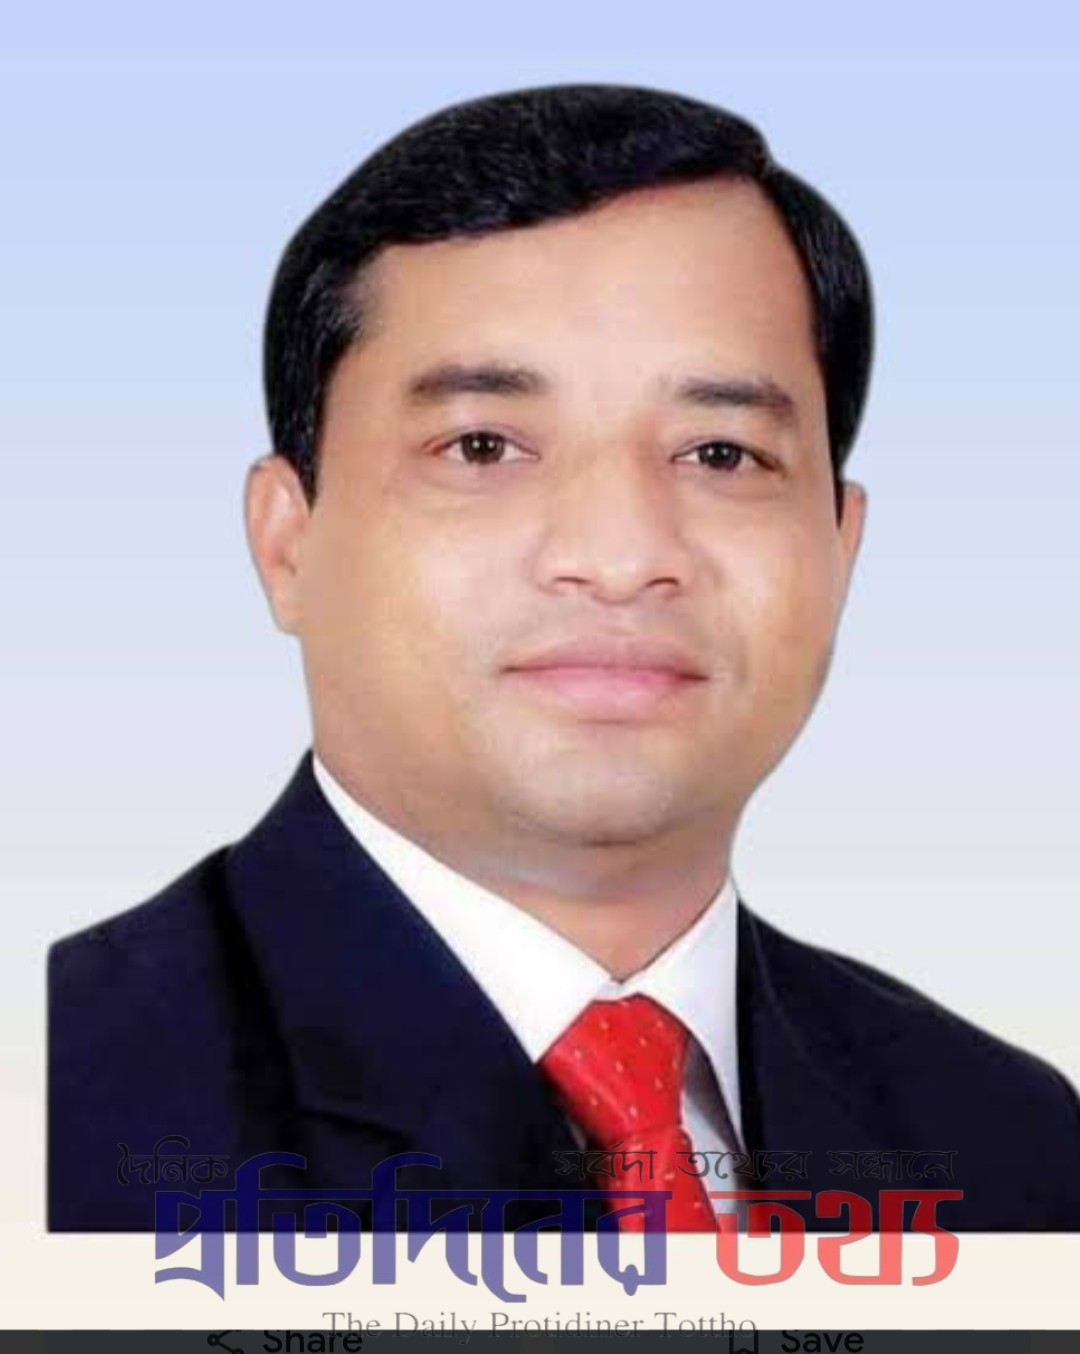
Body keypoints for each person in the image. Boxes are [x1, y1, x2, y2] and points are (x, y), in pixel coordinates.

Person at [48, 82, 1080, 1234]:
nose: (622, 555)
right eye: (483, 446)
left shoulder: (1015, 1146)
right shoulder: (54, 1118)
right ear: (286, 540)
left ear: (839, 550)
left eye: (721, 454)